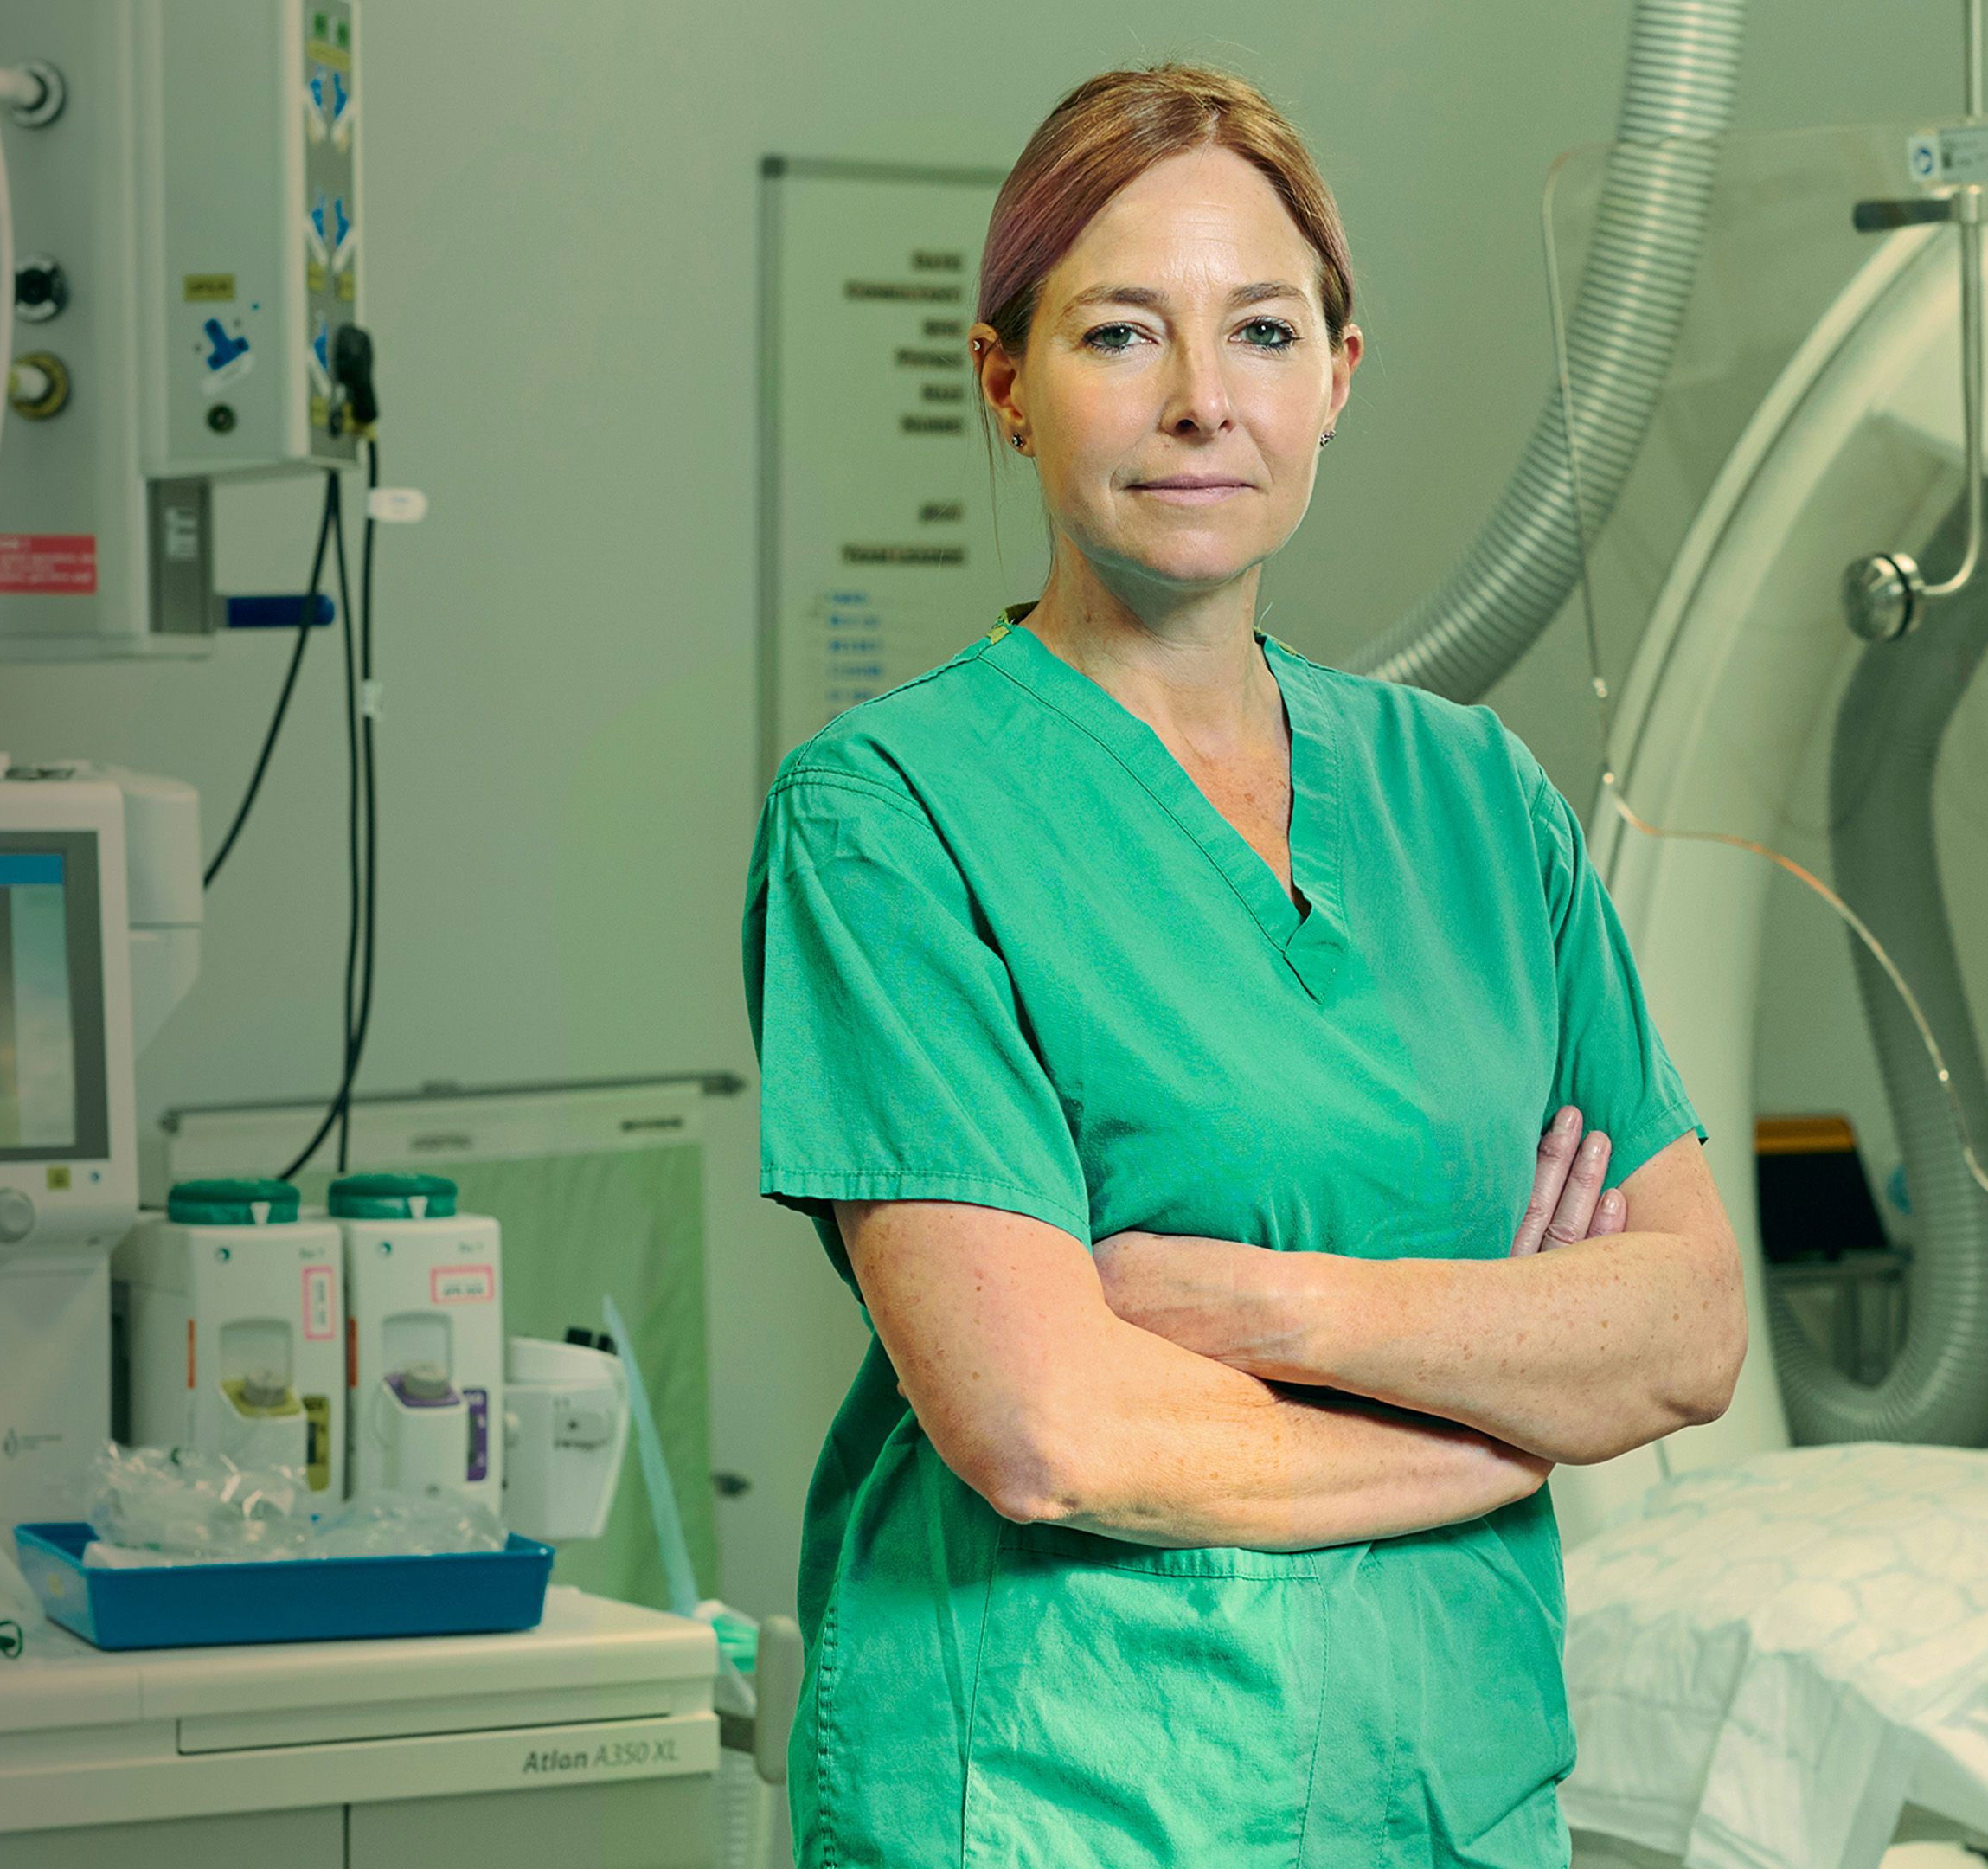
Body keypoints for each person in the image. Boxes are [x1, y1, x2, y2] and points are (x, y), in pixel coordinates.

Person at [740, 63, 1748, 1866]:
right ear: (1006, 384)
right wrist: (1494, 1421)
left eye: (1264, 332)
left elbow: (1683, 1333)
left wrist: (1274, 1313)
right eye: (1122, 333)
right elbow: (1044, 1426)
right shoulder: (889, 817)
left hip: (1447, 1795)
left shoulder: (1474, 801)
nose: (1204, 399)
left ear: (1338, 376)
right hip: (1064, 1803)